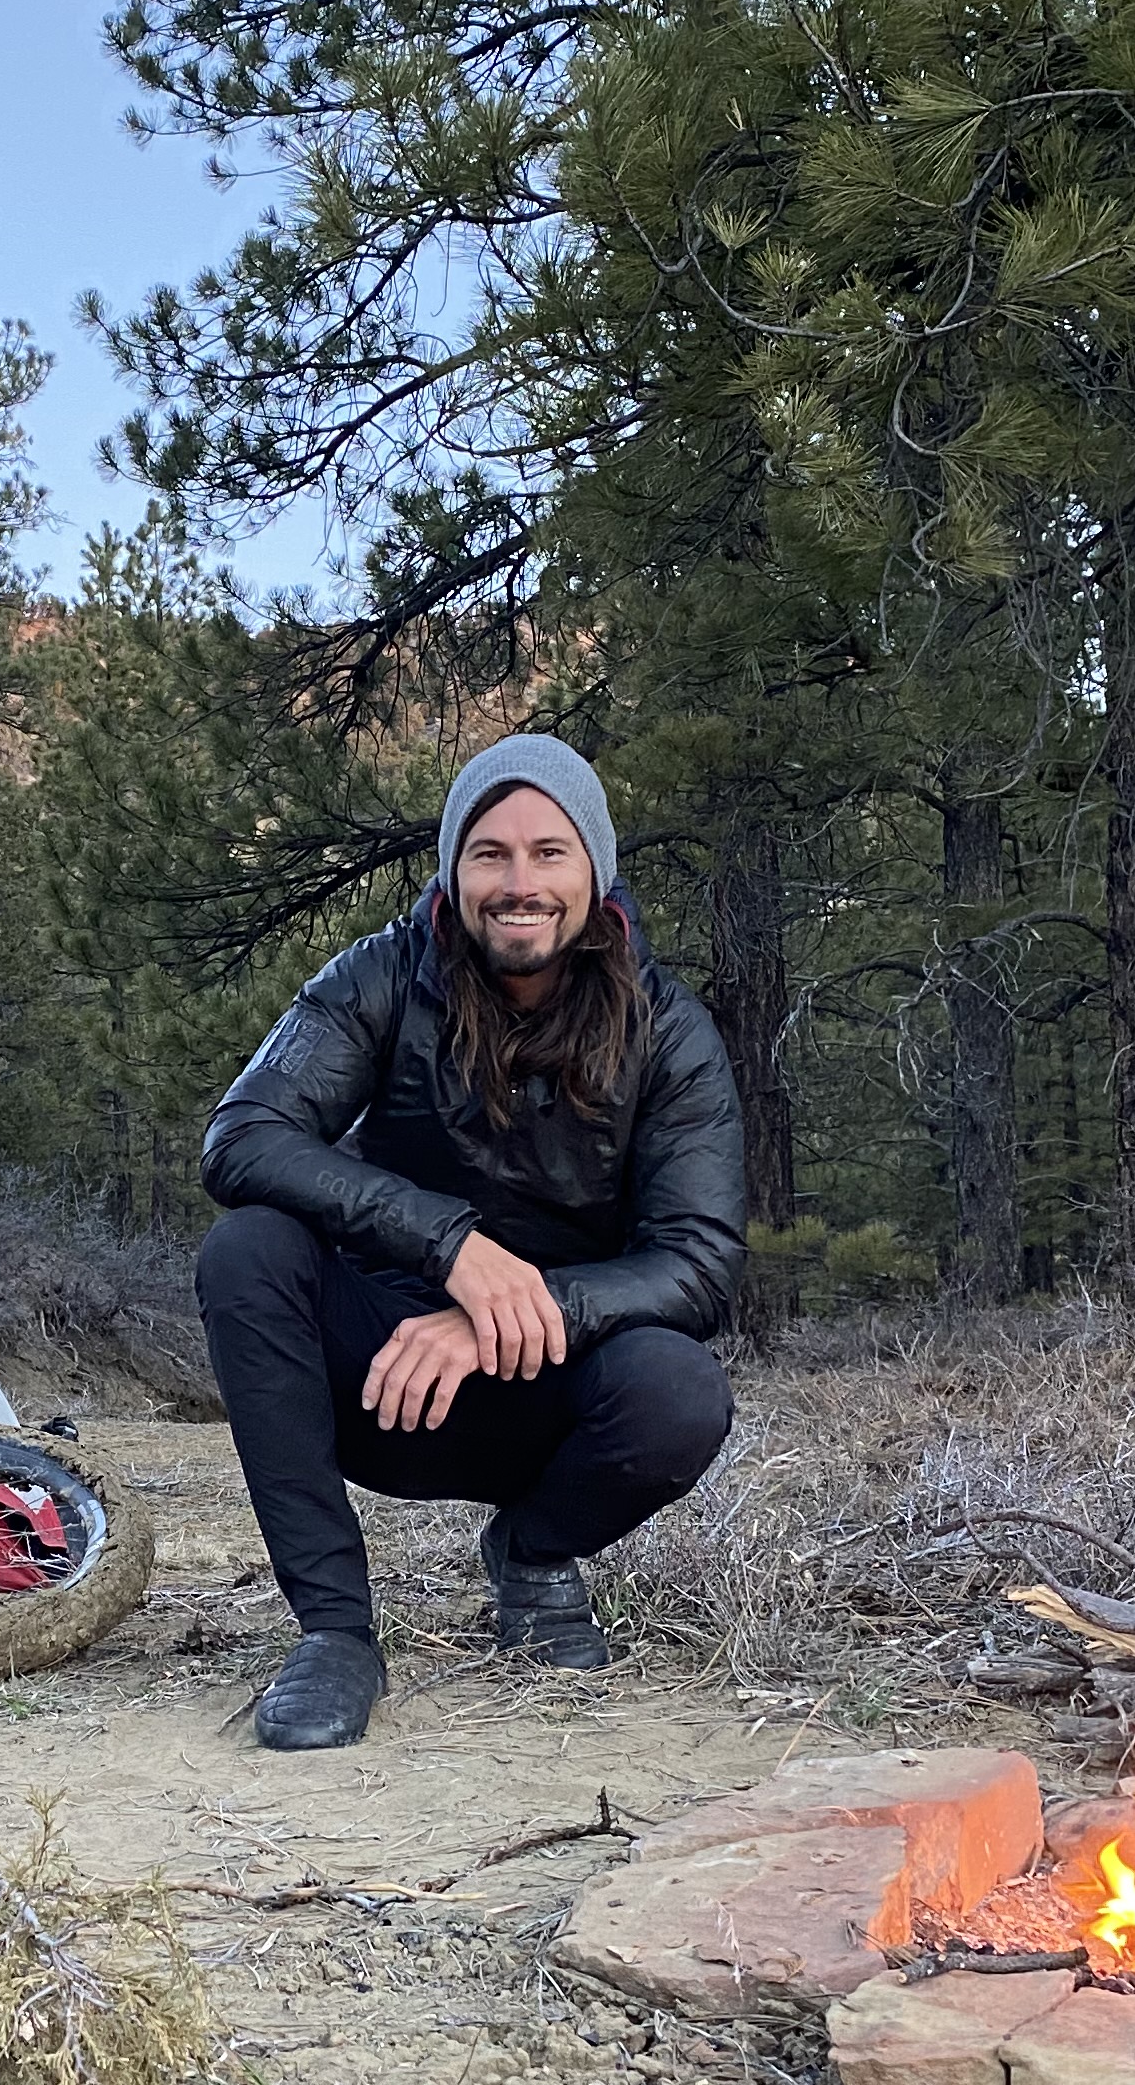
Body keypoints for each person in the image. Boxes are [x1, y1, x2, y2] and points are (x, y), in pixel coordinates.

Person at [193, 733, 744, 1750]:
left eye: (549, 852)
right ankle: (335, 1633)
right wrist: (452, 1248)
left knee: (680, 1389)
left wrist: (513, 1311)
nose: (519, 882)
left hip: (553, 1402)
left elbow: (701, 1263)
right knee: (248, 1252)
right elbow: (242, 1137)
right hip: (388, 1386)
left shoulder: (668, 1029)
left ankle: (532, 1555)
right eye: (490, 853)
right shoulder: (380, 979)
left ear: (594, 871)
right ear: (454, 870)